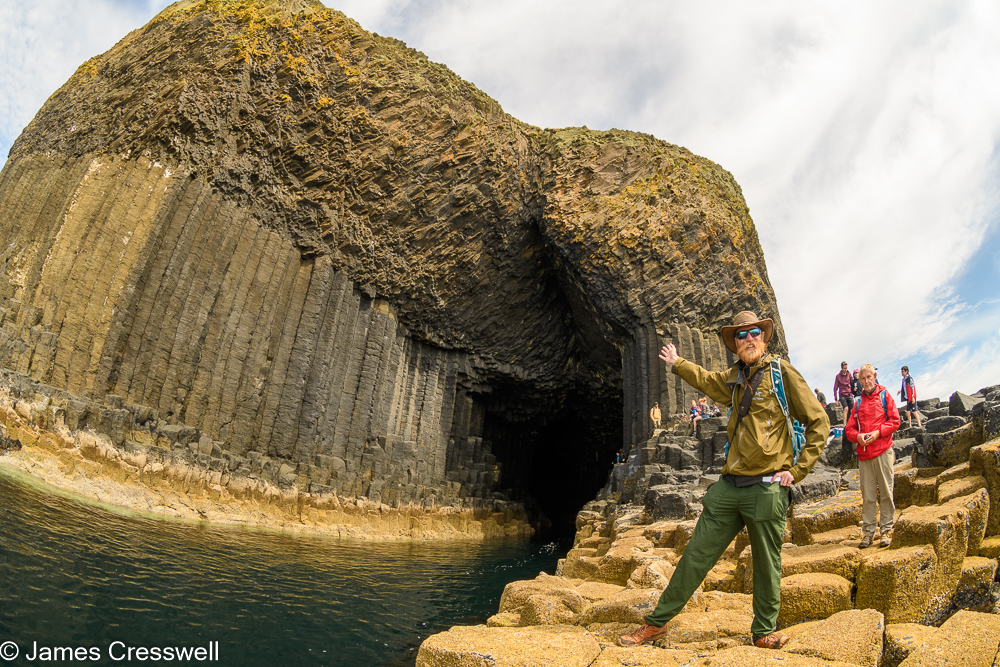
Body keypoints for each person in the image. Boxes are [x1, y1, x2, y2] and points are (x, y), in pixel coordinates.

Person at [618, 311, 829, 650]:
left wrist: (797, 470)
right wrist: (676, 362)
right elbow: (704, 378)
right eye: (742, 335)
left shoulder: (781, 373)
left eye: (754, 332)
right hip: (728, 487)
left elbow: (818, 421)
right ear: (735, 344)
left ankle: (763, 632)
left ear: (764, 337)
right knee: (695, 555)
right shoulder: (732, 379)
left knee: (766, 562)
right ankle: (656, 624)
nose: (749, 339)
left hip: (767, 488)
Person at [844, 364, 900, 548]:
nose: (866, 381)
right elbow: (849, 429)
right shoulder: (858, 402)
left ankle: (886, 531)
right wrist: (858, 437)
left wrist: (878, 433)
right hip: (865, 455)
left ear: (874, 376)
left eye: (869, 377)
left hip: (883, 450)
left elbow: (895, 420)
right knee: (868, 496)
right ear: (859, 381)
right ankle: (868, 533)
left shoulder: (885, 396)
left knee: (886, 491)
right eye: (863, 379)